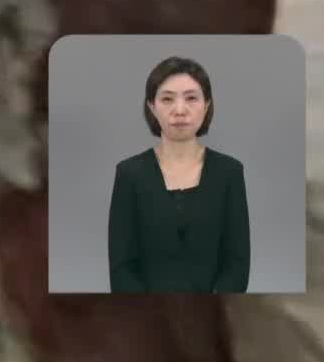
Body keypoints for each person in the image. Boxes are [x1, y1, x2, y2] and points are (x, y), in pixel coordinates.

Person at [107, 56, 251, 292]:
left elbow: (237, 263)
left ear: (206, 106)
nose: (180, 110)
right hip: (146, 314)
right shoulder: (129, 173)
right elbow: (121, 267)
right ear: (152, 107)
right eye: (167, 99)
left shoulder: (230, 172)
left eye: (192, 98)